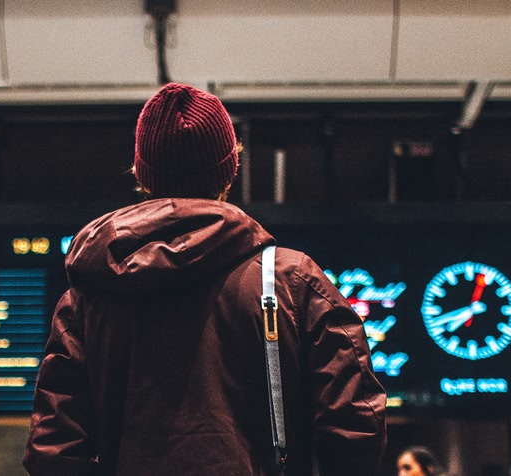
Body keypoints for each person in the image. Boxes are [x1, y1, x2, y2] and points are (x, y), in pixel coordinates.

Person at [22, 82, 387, 475]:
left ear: (142, 173)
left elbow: (53, 451)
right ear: (229, 171)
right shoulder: (292, 282)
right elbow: (355, 428)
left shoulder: (89, 297)